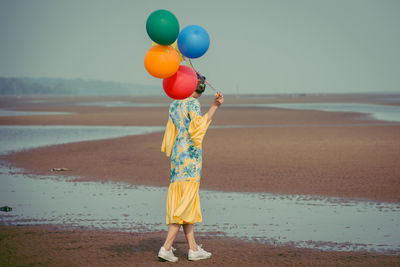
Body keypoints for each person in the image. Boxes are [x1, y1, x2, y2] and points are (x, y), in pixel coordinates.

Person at [158, 74, 224, 262]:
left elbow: (172, 131)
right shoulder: (192, 104)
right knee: (185, 202)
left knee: (184, 199)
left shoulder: (174, 104)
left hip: (178, 157)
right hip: (190, 157)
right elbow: (197, 130)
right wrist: (215, 106)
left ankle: (193, 249)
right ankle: (166, 247)